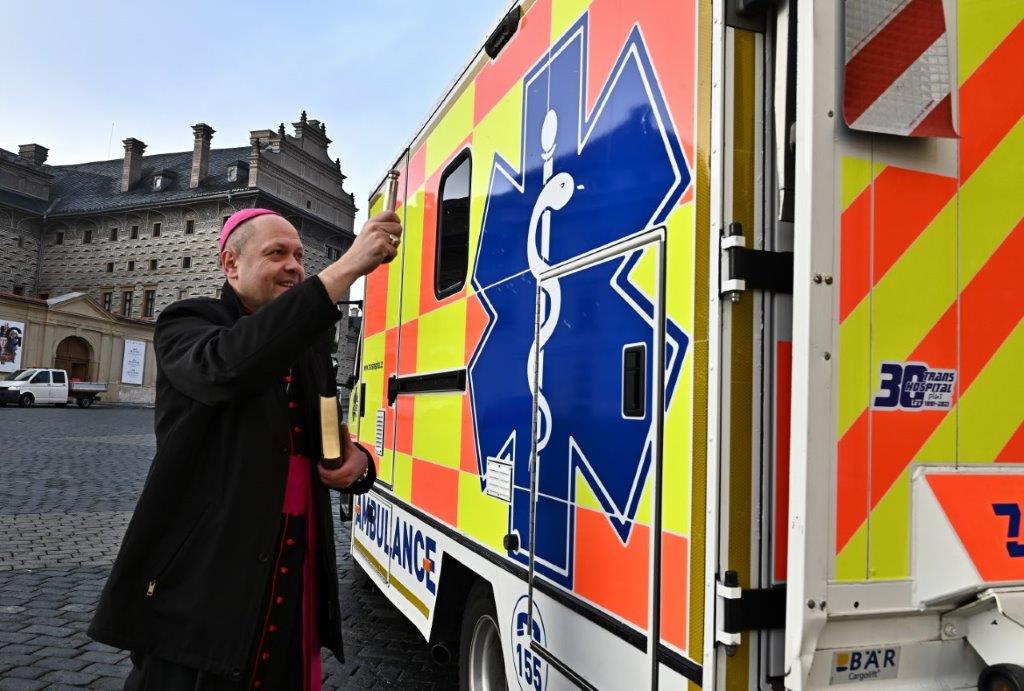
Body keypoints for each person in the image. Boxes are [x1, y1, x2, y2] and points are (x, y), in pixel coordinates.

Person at [88, 207, 403, 690]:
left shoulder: (309, 345)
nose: (294, 266)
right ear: (231, 264)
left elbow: (327, 435)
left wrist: (357, 464)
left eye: (299, 256)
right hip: (208, 572)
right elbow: (227, 368)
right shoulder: (187, 322)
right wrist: (344, 270)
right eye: (277, 253)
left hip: (293, 562)